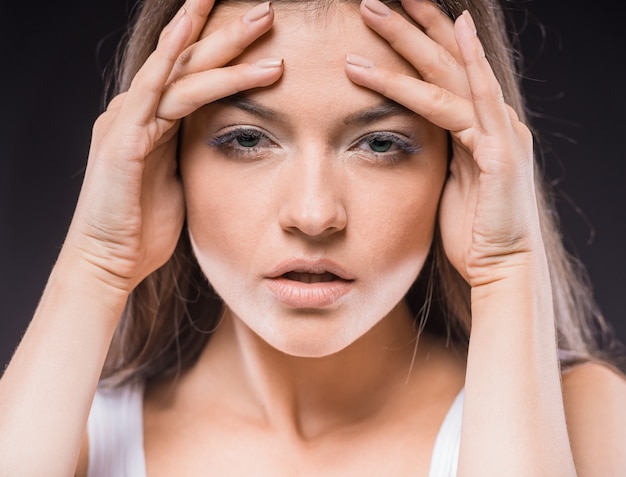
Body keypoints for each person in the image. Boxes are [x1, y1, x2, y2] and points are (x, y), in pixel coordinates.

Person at [1, 0, 625, 475]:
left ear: (460, 165)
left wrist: (507, 268)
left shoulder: (582, 423)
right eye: (246, 138)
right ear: (165, 159)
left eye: (380, 143)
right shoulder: (71, 435)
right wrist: (98, 261)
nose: (313, 213)